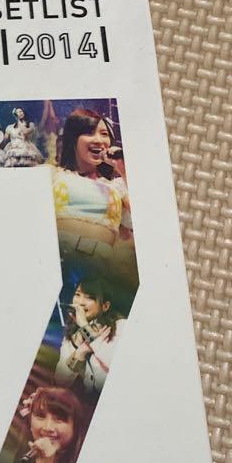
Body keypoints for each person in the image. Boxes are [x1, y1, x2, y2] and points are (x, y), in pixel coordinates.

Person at [52, 108, 134, 279]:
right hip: (59, 263)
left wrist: (122, 168)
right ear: (73, 138)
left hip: (98, 275)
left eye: (104, 134)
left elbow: (142, 223)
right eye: (89, 133)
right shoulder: (54, 175)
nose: (99, 140)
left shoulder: (117, 186)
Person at [55, 277, 123, 395]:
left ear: (105, 306)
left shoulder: (120, 326)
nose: (80, 302)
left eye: (89, 297)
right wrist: (80, 350)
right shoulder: (73, 335)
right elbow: (60, 381)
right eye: (77, 294)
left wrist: (84, 326)